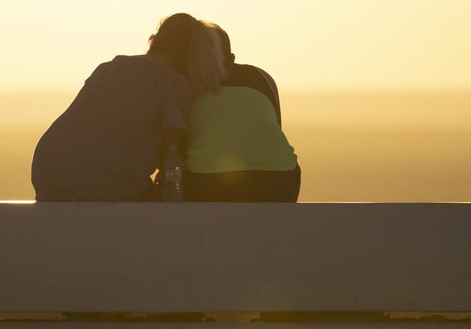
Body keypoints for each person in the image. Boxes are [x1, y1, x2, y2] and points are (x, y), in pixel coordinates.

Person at [31, 13, 225, 201]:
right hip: (99, 179)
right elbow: (173, 155)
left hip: (48, 170)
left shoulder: (109, 67)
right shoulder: (173, 84)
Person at [184, 25, 300, 201]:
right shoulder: (262, 77)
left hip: (207, 181)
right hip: (281, 179)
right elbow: (275, 128)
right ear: (231, 58)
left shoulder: (190, 80)